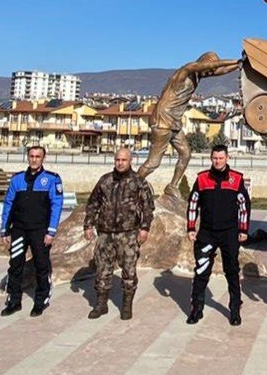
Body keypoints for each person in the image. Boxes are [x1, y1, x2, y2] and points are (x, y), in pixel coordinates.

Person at [137, 53, 240, 196]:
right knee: (153, 162)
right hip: (163, 120)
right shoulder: (185, 71)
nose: (210, 73)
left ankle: (172, 186)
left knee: (185, 154)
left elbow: (217, 71)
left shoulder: (197, 76)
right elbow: (210, 67)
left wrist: (240, 64)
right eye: (208, 68)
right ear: (202, 64)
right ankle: (132, 185)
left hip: (174, 122)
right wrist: (234, 60)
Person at [83, 147, 155, 320]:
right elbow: (93, 203)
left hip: (128, 233)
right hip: (105, 233)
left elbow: (148, 207)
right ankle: (101, 304)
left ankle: (126, 305)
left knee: (129, 271)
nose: (120, 163)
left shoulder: (138, 182)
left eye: (124, 160)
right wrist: (88, 225)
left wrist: (144, 228)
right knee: (102, 269)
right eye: (117, 160)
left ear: (130, 161)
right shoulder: (105, 180)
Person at [186, 144, 251, 325]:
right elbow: (193, 203)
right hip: (207, 233)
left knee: (232, 271)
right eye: (215, 158)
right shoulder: (202, 179)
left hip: (229, 233)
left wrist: (243, 230)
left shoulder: (236, 179)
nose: (218, 161)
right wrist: (191, 228)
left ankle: (235, 309)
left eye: (221, 158)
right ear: (211, 159)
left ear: (227, 158)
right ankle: (196, 309)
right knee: (201, 271)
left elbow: (244, 206)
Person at [0, 145, 64, 317]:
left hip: (40, 231)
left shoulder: (52, 179)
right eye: (32, 156)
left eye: (38, 156)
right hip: (19, 230)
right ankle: (14, 301)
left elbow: (56, 206)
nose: (34, 159)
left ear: (43, 159)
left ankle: (40, 300)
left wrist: (51, 231)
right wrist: (5, 229)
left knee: (41, 266)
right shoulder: (17, 180)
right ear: (27, 157)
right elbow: (8, 204)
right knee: (15, 266)